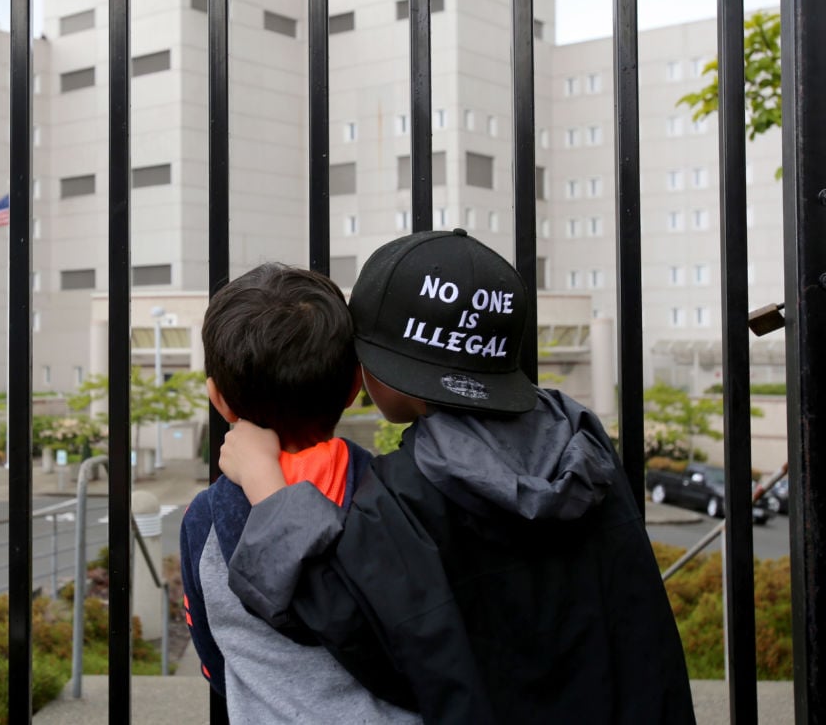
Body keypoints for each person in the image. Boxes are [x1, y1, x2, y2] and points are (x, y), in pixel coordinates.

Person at [221, 229, 696, 724]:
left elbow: (353, 630)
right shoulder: (579, 436)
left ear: (380, 367)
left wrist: (266, 485)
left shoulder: (402, 496)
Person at [179, 263, 418, 723]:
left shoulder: (206, 519)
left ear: (217, 398)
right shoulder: (399, 494)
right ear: (355, 386)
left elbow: (211, 657)